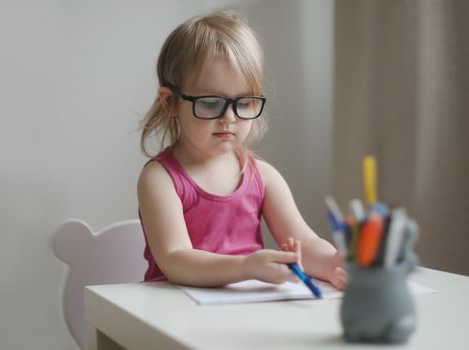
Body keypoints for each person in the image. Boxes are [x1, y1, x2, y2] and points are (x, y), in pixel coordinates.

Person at [137, 10, 346, 289]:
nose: (230, 117)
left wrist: (331, 264)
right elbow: (176, 259)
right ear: (171, 103)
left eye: (244, 103)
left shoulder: (263, 176)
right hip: (175, 313)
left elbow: (304, 241)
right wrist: (246, 266)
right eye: (211, 103)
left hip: (243, 310)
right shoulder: (160, 179)